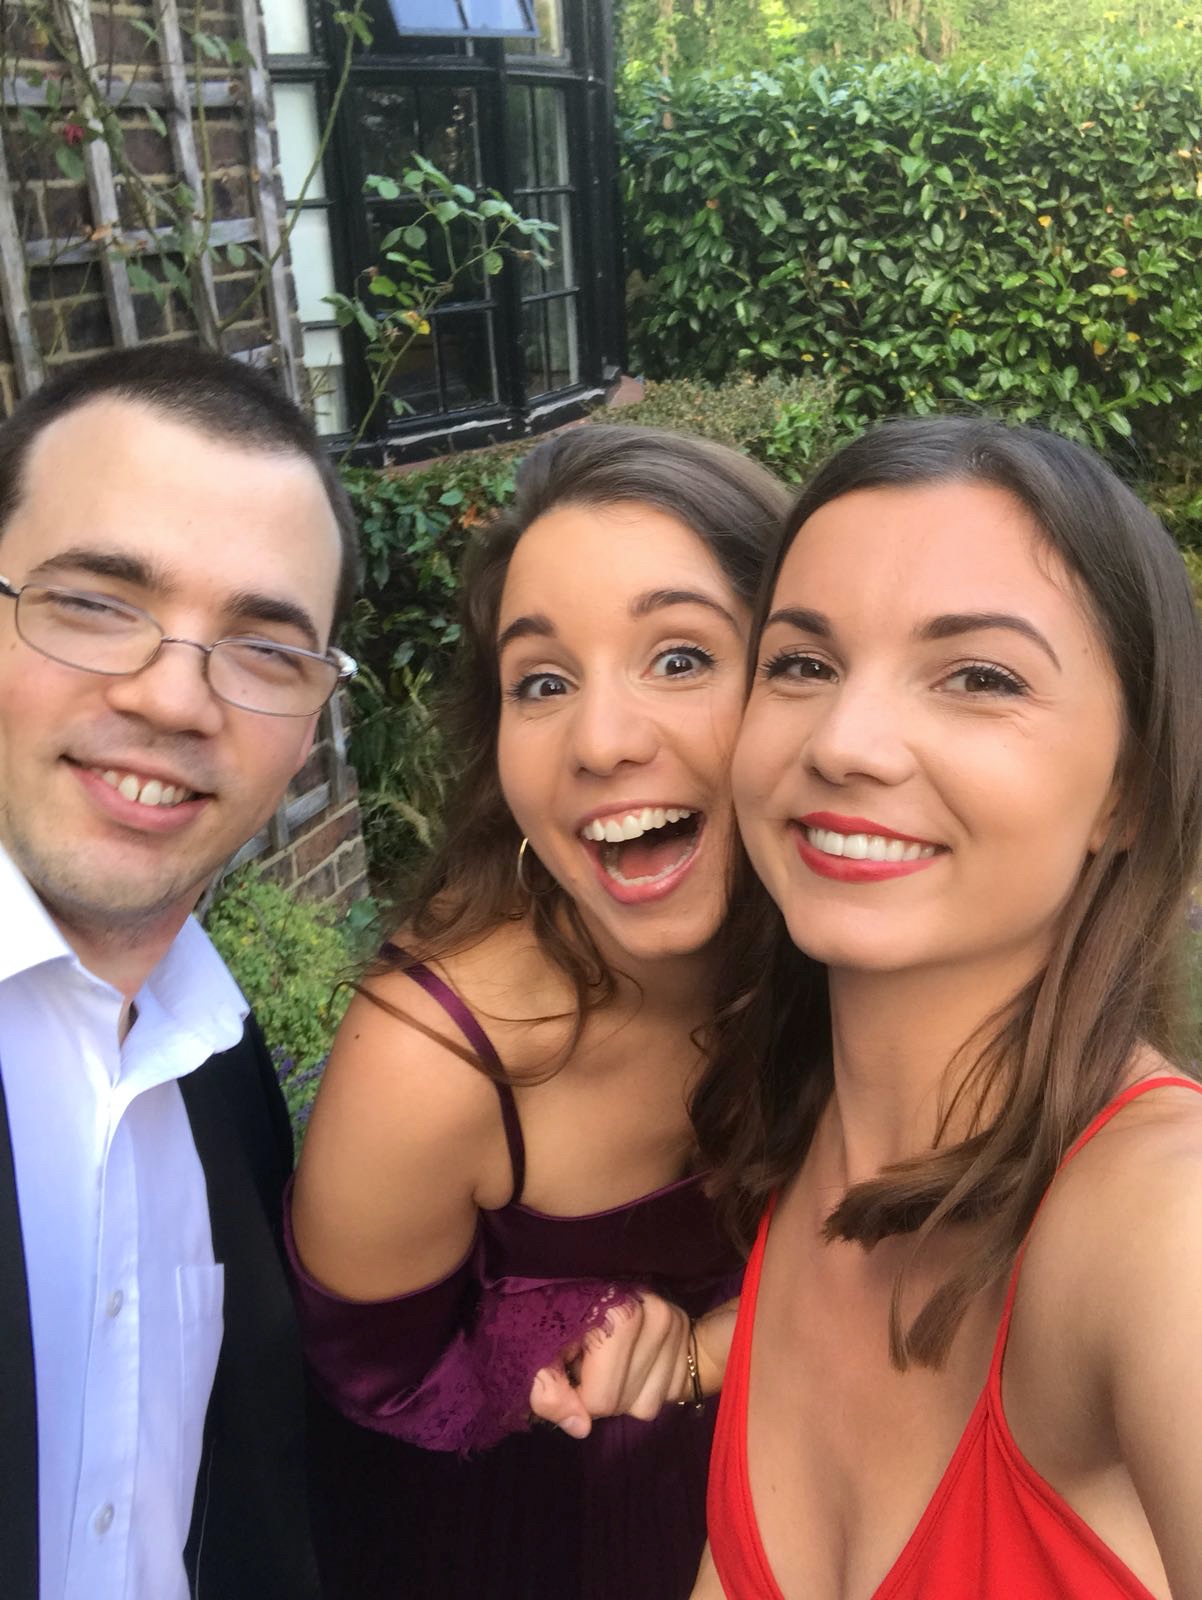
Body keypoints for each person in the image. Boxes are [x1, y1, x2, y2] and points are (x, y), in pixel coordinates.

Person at [688, 417, 1202, 1598]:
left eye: (979, 676)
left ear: (1123, 789)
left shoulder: (1161, 1231)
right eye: (802, 663)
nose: (845, 742)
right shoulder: (803, 1145)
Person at [287, 424, 791, 1600]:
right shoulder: (433, 1057)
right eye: (542, 683)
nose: (602, 741)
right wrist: (554, 1330)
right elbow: (361, 1389)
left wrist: (703, 1348)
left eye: (677, 658)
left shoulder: (846, 945)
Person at [0, 344, 361, 1600]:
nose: (174, 696)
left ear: (313, 709)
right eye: (96, 602)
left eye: (265, 647)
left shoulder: (224, 1072)